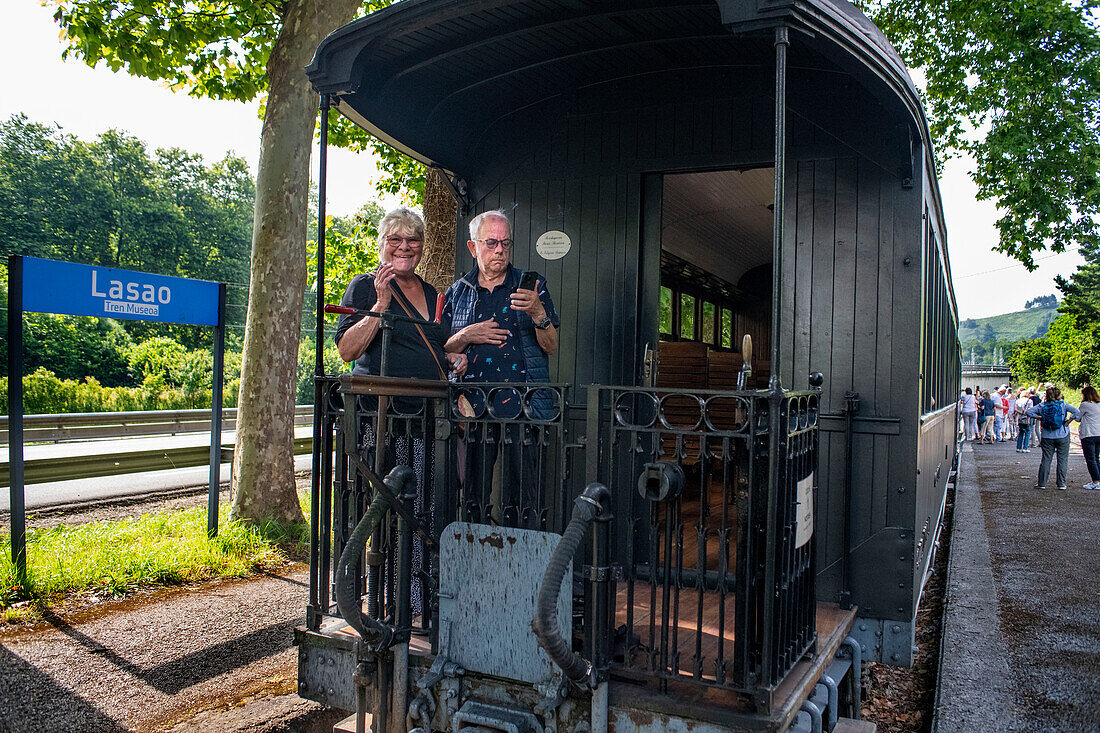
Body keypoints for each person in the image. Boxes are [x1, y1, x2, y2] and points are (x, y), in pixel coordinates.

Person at [334, 207, 465, 612]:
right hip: (380, 421)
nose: (405, 247)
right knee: (375, 509)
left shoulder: (431, 293)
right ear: (382, 243)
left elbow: (430, 349)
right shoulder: (363, 286)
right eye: (396, 239)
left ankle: (415, 599)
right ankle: (365, 600)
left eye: (413, 240)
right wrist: (381, 301)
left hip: (424, 420)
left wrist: (452, 361)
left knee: (420, 509)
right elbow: (347, 350)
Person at [442, 209, 560, 527]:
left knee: (524, 502)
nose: (500, 250)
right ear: (473, 247)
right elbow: (441, 350)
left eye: (505, 243)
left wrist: (538, 312)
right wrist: (468, 334)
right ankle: (477, 569)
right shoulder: (458, 292)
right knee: (473, 500)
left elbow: (551, 345)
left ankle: (524, 574)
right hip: (474, 410)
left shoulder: (531, 286)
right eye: (491, 242)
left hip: (525, 407)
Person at [1025, 385, 1080, 490]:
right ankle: (1061, 484)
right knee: (1062, 459)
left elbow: (1029, 412)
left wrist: (1040, 418)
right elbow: (1077, 412)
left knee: (1046, 459)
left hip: (1046, 436)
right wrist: (1069, 421)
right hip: (1062, 435)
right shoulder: (1063, 405)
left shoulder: (1042, 405)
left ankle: (1042, 483)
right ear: (1058, 396)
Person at [1078, 385, 1100, 490]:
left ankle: (1095, 482)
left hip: (1089, 434)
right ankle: (1098, 481)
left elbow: (1078, 418)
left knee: (1090, 459)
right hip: (1099, 434)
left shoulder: (1085, 405)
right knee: (1096, 458)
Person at [1015, 388, 1032, 453]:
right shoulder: (1029, 401)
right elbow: (1030, 410)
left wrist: (1020, 412)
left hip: (1020, 418)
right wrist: (1029, 419)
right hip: (1026, 418)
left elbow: (1015, 409)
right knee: (1027, 433)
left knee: (1020, 433)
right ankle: (1025, 448)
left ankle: (1018, 447)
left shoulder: (1018, 401)